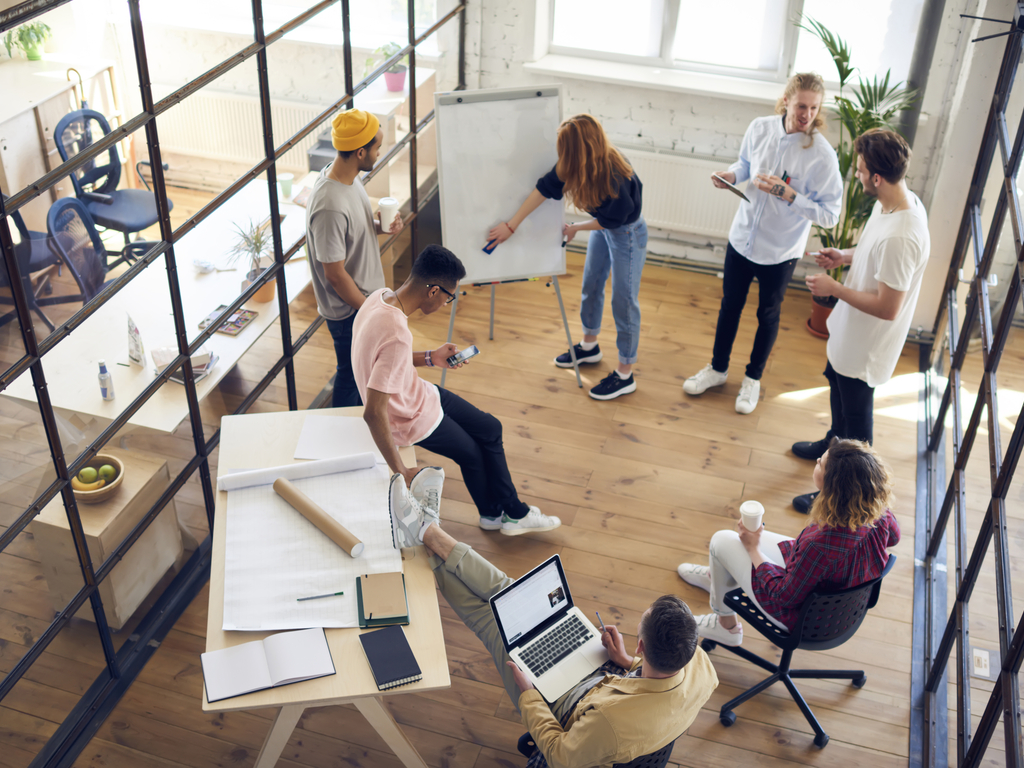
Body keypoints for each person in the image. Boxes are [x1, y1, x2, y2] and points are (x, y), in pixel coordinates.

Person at [386, 474, 718, 768]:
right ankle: (425, 533)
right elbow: (661, 687)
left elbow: (560, 756)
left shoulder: (609, 723)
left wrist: (529, 695)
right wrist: (627, 663)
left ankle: (423, 535)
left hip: (575, 708)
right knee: (510, 595)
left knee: (493, 623)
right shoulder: (701, 667)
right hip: (611, 682)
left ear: (643, 645)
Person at [353, 243, 560, 536]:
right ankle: (508, 513)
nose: (446, 304)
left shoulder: (379, 298)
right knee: (473, 454)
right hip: (408, 418)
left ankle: (500, 513)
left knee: (490, 427)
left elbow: (383, 360)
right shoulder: (397, 332)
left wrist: (430, 357)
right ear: (434, 291)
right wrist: (401, 470)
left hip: (420, 393)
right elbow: (373, 413)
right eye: (450, 298)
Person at [682, 73, 843, 415]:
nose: (807, 115)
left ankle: (752, 379)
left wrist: (790, 195)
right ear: (786, 101)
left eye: (814, 108)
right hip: (741, 239)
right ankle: (717, 369)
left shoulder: (822, 156)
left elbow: (830, 214)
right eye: (801, 106)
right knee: (730, 306)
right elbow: (744, 165)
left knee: (767, 314)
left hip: (779, 252)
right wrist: (730, 176)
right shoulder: (760, 128)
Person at [791, 128, 930, 512]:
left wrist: (833, 289)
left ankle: (839, 493)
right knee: (834, 386)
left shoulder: (903, 235)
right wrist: (844, 257)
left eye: (861, 168)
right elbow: (872, 252)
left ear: (877, 178)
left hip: (866, 346)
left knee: (857, 428)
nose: (856, 174)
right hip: (849, 334)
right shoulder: (891, 202)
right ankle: (830, 444)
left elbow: (889, 307)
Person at [676, 439, 899, 646]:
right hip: (847, 607)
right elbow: (894, 538)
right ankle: (716, 576)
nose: (817, 461)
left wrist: (754, 550)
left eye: (821, 464)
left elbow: (784, 596)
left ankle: (726, 627)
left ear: (834, 486)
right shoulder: (877, 510)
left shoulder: (820, 544)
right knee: (735, 547)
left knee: (721, 540)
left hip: (807, 619)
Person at [486, 114, 647, 401]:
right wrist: (512, 225)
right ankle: (590, 346)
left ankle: (625, 373)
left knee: (623, 300)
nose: (561, 157)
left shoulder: (616, 178)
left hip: (627, 234)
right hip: (605, 225)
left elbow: (611, 221)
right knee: (591, 285)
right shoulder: (574, 165)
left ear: (580, 151)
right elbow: (542, 190)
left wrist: (576, 227)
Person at [305, 108, 403, 408]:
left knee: (363, 373)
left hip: (363, 303)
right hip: (350, 312)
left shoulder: (348, 179)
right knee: (351, 376)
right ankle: (342, 436)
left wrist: (379, 227)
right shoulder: (329, 205)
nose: (379, 152)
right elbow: (334, 274)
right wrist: (369, 310)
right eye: (377, 147)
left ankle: (358, 427)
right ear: (361, 153)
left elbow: (348, 236)